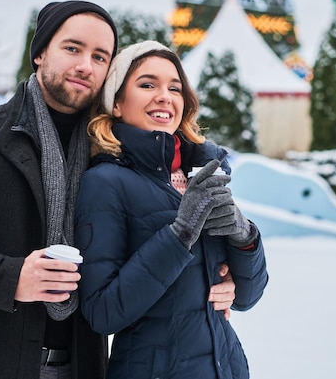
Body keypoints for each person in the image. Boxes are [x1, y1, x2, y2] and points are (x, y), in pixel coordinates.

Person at [0, 2, 236, 379]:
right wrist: (9, 277)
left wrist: (216, 278)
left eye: (100, 57)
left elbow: (149, 246)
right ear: (40, 53)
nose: (86, 65)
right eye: (73, 48)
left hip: (83, 364)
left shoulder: (113, 154)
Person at [75, 41, 269, 379]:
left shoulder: (204, 172)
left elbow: (247, 297)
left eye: (175, 88)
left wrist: (244, 237)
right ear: (117, 103)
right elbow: (103, 311)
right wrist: (179, 234)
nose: (165, 96)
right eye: (147, 84)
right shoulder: (105, 182)